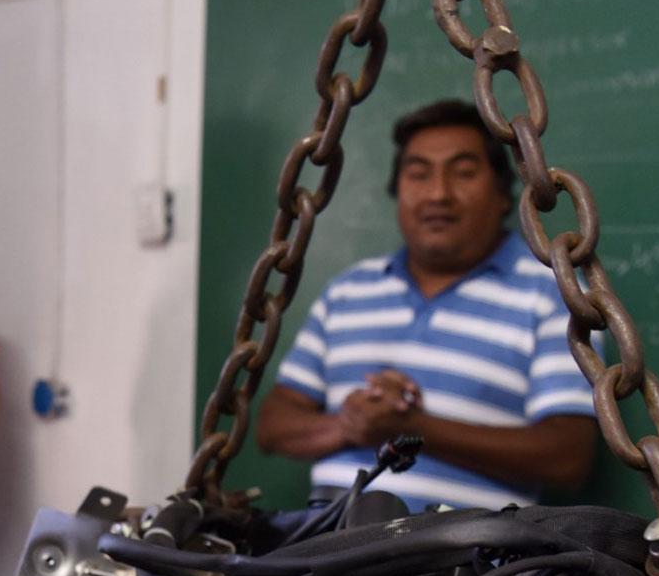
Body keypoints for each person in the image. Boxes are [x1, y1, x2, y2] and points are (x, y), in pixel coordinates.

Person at [255, 98, 596, 511]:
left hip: (468, 562)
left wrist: (413, 429)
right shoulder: (349, 292)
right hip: (327, 553)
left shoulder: (547, 291)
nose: (438, 194)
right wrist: (351, 424)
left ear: (504, 195)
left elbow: (567, 456)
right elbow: (273, 425)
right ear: (397, 191)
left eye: (464, 172)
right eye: (418, 174)